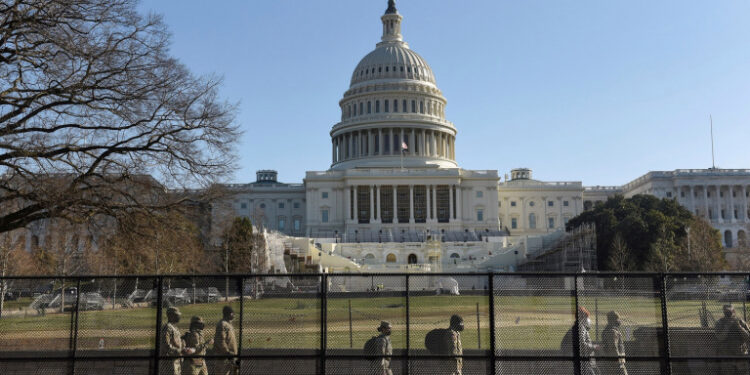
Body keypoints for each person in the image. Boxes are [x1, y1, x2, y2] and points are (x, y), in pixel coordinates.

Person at [562, 307, 599, 375]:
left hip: (579, 362)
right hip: (582, 362)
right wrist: (594, 347)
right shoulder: (580, 328)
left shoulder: (576, 328)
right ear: (583, 318)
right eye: (587, 317)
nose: (588, 320)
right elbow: (581, 344)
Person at [715, 304, 750, 374]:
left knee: (742, 372)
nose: (728, 313)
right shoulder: (720, 322)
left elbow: (748, 337)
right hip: (726, 354)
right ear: (723, 312)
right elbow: (720, 338)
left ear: (734, 311)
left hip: (740, 353)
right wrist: (726, 327)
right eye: (726, 311)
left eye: (730, 311)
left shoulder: (740, 321)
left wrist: (739, 327)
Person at [213, 306, 239, 375]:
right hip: (224, 357)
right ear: (230, 314)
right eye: (233, 313)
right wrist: (227, 352)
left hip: (232, 357)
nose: (234, 315)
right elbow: (220, 341)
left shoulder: (229, 324)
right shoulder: (222, 324)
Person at [161, 307, 185, 375]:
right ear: (171, 316)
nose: (179, 317)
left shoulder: (174, 327)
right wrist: (178, 351)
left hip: (176, 359)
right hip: (170, 361)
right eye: (177, 315)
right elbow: (165, 344)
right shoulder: (167, 327)